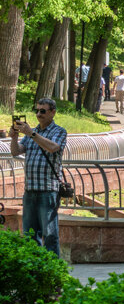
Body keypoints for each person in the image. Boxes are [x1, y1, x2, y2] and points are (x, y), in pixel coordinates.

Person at [10, 98, 67, 256]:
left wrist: (31, 133)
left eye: (43, 111)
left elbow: (53, 148)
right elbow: (16, 151)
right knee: (29, 234)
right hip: (30, 190)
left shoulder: (59, 131)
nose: (38, 114)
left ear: (53, 112)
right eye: (37, 110)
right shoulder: (32, 132)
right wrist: (14, 137)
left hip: (48, 191)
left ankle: (53, 271)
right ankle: (35, 271)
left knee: (50, 235)